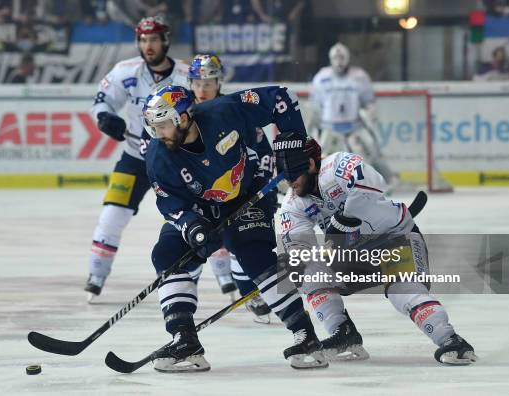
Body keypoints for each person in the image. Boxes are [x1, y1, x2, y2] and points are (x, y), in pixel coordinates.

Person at [141, 85, 328, 372]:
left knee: (254, 255)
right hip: (199, 207)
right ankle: (184, 339)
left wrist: (294, 140)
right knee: (166, 254)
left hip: (247, 192)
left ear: (184, 117)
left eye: (164, 125)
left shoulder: (223, 111)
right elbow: (170, 203)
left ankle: (306, 335)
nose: (159, 133)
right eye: (155, 127)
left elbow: (280, 97)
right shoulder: (158, 155)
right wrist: (191, 226)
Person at [273, 134, 478, 365]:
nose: (289, 180)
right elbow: (297, 244)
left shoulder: (338, 164)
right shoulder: (293, 204)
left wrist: (343, 220)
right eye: (283, 171)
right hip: (354, 255)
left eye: (292, 171)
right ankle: (343, 333)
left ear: (311, 164)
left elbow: (370, 189)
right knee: (307, 270)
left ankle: (450, 340)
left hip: (395, 239)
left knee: (403, 290)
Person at [84, 16, 189, 301]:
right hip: (135, 158)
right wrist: (105, 118)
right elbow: (101, 103)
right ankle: (96, 275)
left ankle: (229, 280)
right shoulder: (124, 70)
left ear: (165, 41)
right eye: (143, 40)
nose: (148, 45)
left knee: (200, 216)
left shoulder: (186, 73)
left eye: (154, 39)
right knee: (111, 215)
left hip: (178, 160)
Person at [188, 54, 273, 323]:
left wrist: (263, 188)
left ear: (219, 81)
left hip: (240, 190)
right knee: (191, 246)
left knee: (245, 240)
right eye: (197, 83)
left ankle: (249, 291)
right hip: (201, 193)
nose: (202, 89)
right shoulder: (183, 112)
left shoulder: (237, 109)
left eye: (208, 82)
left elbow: (263, 151)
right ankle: (180, 303)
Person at [310, 43, 397, 185]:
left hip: (354, 126)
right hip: (329, 128)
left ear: (347, 57)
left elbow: (369, 102)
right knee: (320, 159)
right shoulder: (321, 77)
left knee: (371, 153)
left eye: (341, 57)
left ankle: (385, 181)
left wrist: (370, 115)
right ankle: (317, 186)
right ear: (331, 58)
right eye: (336, 57)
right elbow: (315, 106)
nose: (339, 60)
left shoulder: (359, 76)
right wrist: (315, 126)